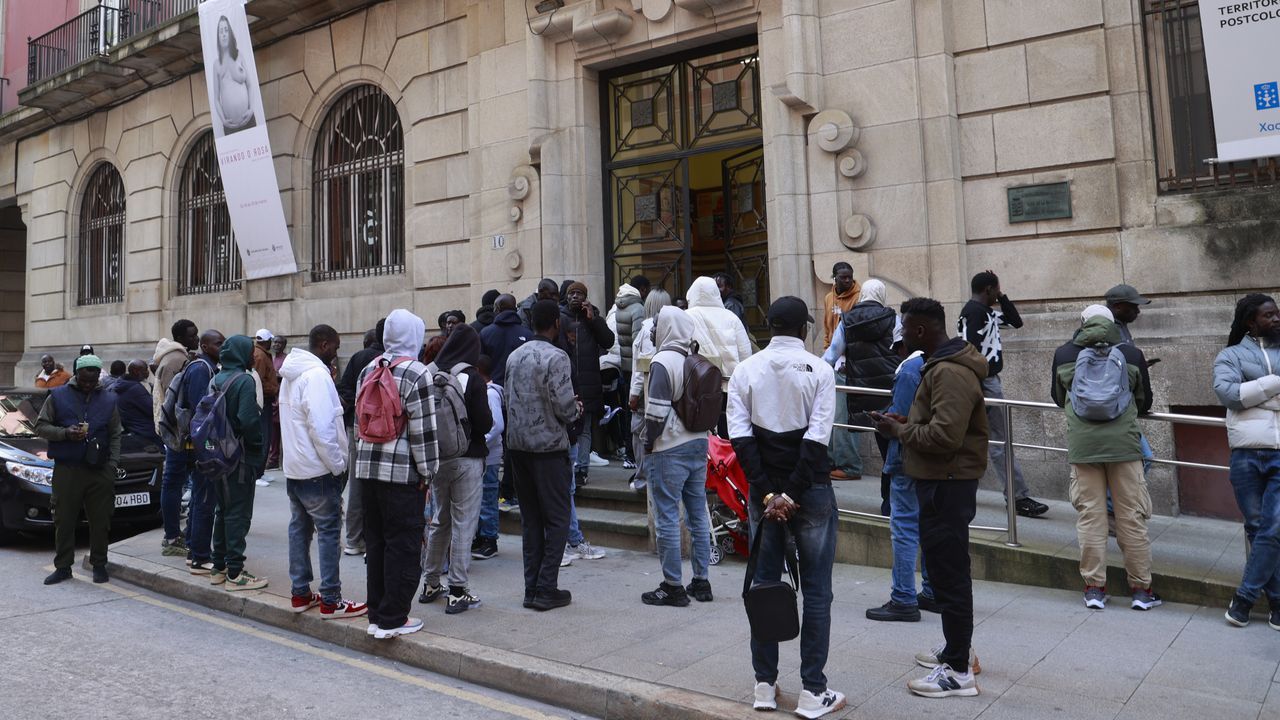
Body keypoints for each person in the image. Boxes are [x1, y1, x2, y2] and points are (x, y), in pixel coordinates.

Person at [728, 297, 842, 717]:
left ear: (770, 325)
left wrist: (768, 495)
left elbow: (741, 441)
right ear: (802, 328)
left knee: (764, 585)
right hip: (809, 492)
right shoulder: (821, 370)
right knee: (816, 591)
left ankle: (764, 685)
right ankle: (813, 690)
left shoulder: (745, 370)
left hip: (766, 498)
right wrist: (791, 494)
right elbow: (817, 439)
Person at [872, 298, 988, 699]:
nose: (901, 334)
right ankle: (959, 650)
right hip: (942, 481)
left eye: (905, 327)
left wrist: (900, 434)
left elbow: (945, 437)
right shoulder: (942, 366)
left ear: (921, 330)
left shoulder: (951, 372)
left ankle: (958, 672)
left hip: (946, 483)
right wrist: (905, 422)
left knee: (950, 575)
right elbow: (938, 424)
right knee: (945, 572)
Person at [1051, 305, 1157, 611]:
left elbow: (1058, 398)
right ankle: (1141, 591)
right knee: (1131, 518)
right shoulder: (1132, 354)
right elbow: (1144, 400)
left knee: (1091, 517)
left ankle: (1094, 589)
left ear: (1082, 323)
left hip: (1084, 447)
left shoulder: (1063, 354)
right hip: (1124, 446)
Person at [356, 309, 438, 640]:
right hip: (402, 474)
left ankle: (376, 613)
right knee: (403, 545)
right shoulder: (417, 373)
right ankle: (394, 618)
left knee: (376, 543)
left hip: (367, 471)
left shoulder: (369, 368)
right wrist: (429, 473)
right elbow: (424, 432)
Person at [279, 324, 367, 620]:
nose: (337, 354)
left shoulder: (291, 374)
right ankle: (331, 600)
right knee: (328, 534)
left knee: (299, 531)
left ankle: (300, 593)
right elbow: (322, 428)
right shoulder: (316, 376)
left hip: (296, 468)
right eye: (337, 347)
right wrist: (338, 464)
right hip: (318, 469)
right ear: (325, 344)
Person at [505, 299, 583, 611]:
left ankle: (531, 587)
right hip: (548, 448)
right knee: (559, 518)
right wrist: (577, 408)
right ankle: (547, 586)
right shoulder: (557, 356)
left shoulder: (514, 356)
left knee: (532, 520)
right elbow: (564, 406)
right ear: (556, 324)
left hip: (518, 446)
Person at [1213, 294, 1280, 629]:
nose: (1277, 318)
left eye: (1277, 313)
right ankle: (1278, 604)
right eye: (1269, 315)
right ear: (1250, 321)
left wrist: (1253, 393)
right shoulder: (1231, 355)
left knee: (1273, 527)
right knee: (1257, 527)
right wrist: (1275, 385)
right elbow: (1229, 395)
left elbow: (1242, 396)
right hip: (1245, 452)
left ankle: (1245, 599)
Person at [959, 271, 1049, 518]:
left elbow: (1015, 321)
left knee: (986, 440)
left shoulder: (985, 313)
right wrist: (975, 382)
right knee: (999, 441)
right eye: (996, 290)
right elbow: (968, 348)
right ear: (988, 290)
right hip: (982, 382)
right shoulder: (973, 313)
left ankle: (1013, 495)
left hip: (985, 380)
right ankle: (1018, 497)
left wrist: (1002, 297)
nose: (999, 294)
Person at [640, 307, 713, 607]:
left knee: (668, 517)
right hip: (699, 444)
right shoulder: (694, 358)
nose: (654, 329)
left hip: (668, 447)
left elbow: (655, 411)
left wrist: (647, 441)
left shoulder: (662, 361)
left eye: (657, 325)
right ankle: (701, 581)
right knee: (698, 514)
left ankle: (673, 586)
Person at [420, 325, 493, 615]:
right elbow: (485, 423)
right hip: (467, 458)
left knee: (440, 520)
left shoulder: (430, 372)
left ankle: (430, 583)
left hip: (438, 459)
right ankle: (459, 591)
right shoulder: (470, 377)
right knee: (464, 522)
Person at [866, 321, 935, 622]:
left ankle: (904, 596)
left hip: (907, 459)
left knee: (905, 527)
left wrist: (887, 423)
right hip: (929, 461)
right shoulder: (932, 364)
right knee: (928, 527)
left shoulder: (909, 371)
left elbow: (906, 426)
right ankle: (932, 591)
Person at [35, 355, 121, 585]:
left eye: (93, 381)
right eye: (84, 381)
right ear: (76, 375)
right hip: (68, 469)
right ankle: (63, 567)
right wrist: (65, 433)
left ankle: (99, 564)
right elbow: (40, 426)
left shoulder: (109, 398)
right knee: (64, 519)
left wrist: (112, 465)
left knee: (101, 520)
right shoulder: (58, 395)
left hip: (99, 469)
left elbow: (115, 434)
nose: (88, 385)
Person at [824, 279, 897, 512]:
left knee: (881, 437)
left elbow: (832, 355)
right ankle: (891, 500)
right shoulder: (893, 318)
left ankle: (889, 500)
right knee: (893, 446)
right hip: (890, 389)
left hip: (862, 391)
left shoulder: (847, 320)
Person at [205, 335, 269, 591]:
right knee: (238, 514)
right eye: (250, 352)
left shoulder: (216, 378)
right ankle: (235, 573)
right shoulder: (243, 380)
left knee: (223, 510)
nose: (254, 356)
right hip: (239, 457)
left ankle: (218, 567)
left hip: (217, 455)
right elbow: (248, 420)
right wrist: (257, 447)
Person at [171, 331, 222, 569]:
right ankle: (200, 555)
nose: (222, 347)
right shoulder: (202, 369)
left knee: (200, 496)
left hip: (196, 442)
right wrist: (209, 447)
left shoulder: (205, 366)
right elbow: (202, 411)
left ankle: (193, 547)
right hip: (200, 444)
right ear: (204, 345)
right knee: (204, 498)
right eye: (218, 343)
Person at [337, 319, 385, 556]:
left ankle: (354, 539)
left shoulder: (359, 358)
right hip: (386, 433)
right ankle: (372, 540)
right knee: (381, 485)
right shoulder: (395, 361)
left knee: (357, 484)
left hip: (356, 429)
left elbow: (344, 390)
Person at [560, 281, 614, 489]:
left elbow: (609, 341)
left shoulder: (593, 318)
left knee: (584, 429)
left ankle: (581, 469)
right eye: (572, 293)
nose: (575, 297)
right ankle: (568, 468)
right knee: (567, 427)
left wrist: (594, 321)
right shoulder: (561, 318)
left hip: (589, 383)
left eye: (579, 293)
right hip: (567, 382)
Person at [821, 262, 863, 482]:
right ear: (834, 278)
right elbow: (828, 331)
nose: (848, 281)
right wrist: (826, 357)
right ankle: (830, 462)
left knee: (842, 416)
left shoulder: (859, 297)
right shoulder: (829, 299)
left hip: (849, 366)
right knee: (828, 414)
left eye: (850, 277)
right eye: (843, 278)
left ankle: (850, 465)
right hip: (830, 364)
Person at [627, 289, 672, 492]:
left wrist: (634, 394)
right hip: (666, 388)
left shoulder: (647, 329)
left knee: (640, 433)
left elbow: (641, 367)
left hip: (647, 390)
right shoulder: (672, 326)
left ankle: (643, 478)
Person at [471, 355, 504, 561]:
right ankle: (483, 536)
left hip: (490, 456)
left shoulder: (490, 394)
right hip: (486, 454)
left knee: (488, 497)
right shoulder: (485, 392)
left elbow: (497, 425)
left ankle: (489, 539)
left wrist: (482, 440)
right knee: (481, 497)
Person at [611, 280, 646, 467]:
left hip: (624, 366)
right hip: (635, 367)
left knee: (627, 410)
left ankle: (628, 453)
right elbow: (638, 342)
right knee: (636, 411)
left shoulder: (619, 307)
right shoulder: (638, 309)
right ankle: (633, 455)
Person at [213, 15, 256, 135]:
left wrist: (251, 109)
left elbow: (250, 85)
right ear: (218, 37)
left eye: (226, 30)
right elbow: (216, 98)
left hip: (248, 120)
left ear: (230, 33)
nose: (224, 34)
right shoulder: (216, 64)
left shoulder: (239, 56)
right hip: (230, 127)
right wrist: (223, 120)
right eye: (221, 32)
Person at [152, 319, 198, 424]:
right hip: (176, 425)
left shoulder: (180, 355)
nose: (197, 339)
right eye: (192, 336)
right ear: (180, 338)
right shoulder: (176, 359)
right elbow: (171, 397)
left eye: (196, 334)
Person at [480, 293, 529, 386]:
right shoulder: (527, 334)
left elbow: (481, 365)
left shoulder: (485, 333)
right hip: (521, 389)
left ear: (497, 308)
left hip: (494, 388)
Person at [252, 329, 280, 486]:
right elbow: (258, 381)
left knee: (267, 436)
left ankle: (260, 472)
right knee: (263, 436)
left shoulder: (262, 354)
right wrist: (273, 388)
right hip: (263, 401)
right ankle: (256, 474)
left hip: (267, 400)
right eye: (270, 340)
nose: (272, 343)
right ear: (265, 341)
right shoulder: (260, 356)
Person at [111, 360, 160, 448]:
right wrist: (157, 376)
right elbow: (154, 410)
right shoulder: (135, 388)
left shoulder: (122, 384)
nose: (147, 372)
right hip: (146, 432)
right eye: (145, 370)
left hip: (134, 429)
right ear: (136, 371)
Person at [267, 336, 288, 469]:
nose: (276, 345)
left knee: (285, 430)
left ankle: (285, 459)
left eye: (279, 343)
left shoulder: (287, 359)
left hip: (283, 398)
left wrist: (276, 375)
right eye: (274, 342)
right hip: (272, 398)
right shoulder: (270, 358)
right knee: (273, 432)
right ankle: (273, 458)